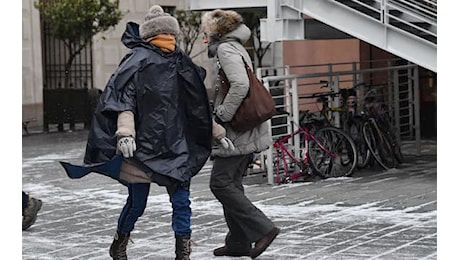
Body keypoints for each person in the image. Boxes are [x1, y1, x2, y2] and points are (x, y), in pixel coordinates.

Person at [60, 5, 213, 260]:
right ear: (156, 33)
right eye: (166, 33)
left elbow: (197, 106)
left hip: (176, 145)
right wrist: (124, 132)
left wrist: (216, 132)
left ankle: (182, 253)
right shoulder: (138, 60)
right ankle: (120, 241)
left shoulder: (181, 62)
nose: (170, 38)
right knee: (137, 202)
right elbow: (124, 100)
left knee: (181, 202)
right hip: (143, 147)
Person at [201, 9, 280, 259]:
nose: (203, 34)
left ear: (217, 31)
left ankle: (263, 229)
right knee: (231, 184)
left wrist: (222, 114)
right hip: (245, 127)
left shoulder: (225, 50)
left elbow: (241, 85)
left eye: (206, 30)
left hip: (237, 130)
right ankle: (237, 242)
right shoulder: (235, 47)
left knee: (220, 183)